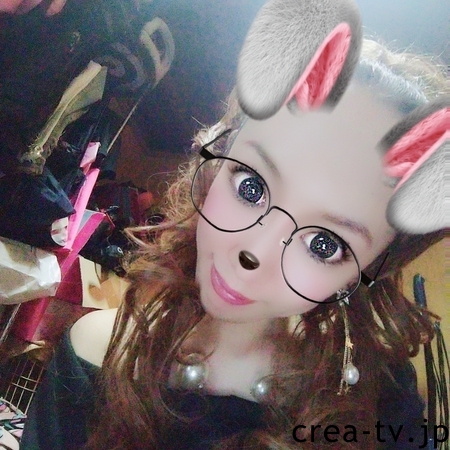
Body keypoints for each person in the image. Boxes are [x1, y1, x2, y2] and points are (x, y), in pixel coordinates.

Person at [20, 37, 447, 450]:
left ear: (368, 269)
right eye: (251, 187)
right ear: (216, 163)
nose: (253, 255)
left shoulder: (380, 397)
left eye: (323, 244)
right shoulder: (95, 356)